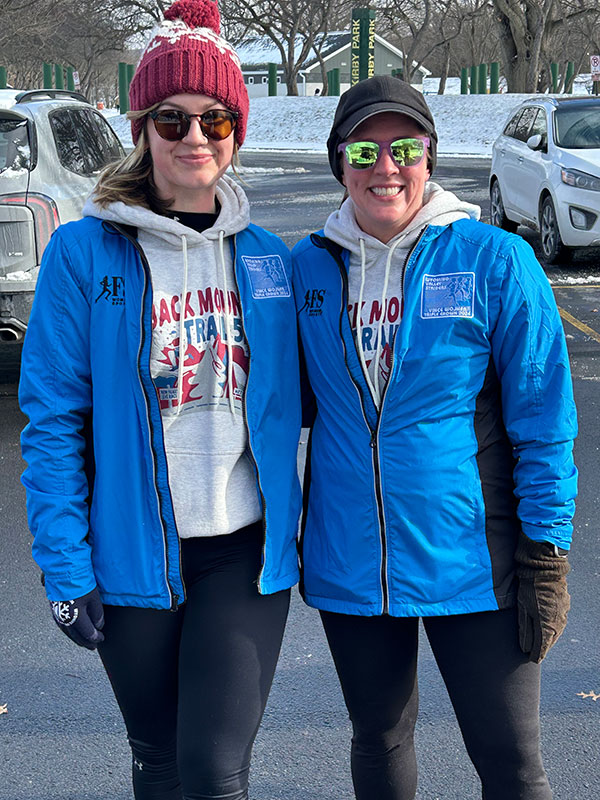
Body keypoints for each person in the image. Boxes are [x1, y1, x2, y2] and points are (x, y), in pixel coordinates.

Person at [19, 2, 302, 799]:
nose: (194, 139)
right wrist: (64, 567)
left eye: (215, 121)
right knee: (159, 759)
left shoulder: (269, 260)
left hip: (241, 552)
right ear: (142, 127)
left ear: (236, 132)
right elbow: (53, 422)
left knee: (215, 772)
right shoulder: (83, 251)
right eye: (172, 119)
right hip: (132, 551)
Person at [292, 75, 576, 800]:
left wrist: (546, 552)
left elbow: (544, 422)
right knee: (380, 741)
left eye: (405, 147)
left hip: (475, 561)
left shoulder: (495, 260)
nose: (385, 166)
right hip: (351, 557)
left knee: (512, 764)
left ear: (430, 157)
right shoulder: (305, 271)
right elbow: (268, 403)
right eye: (364, 148)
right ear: (339, 161)